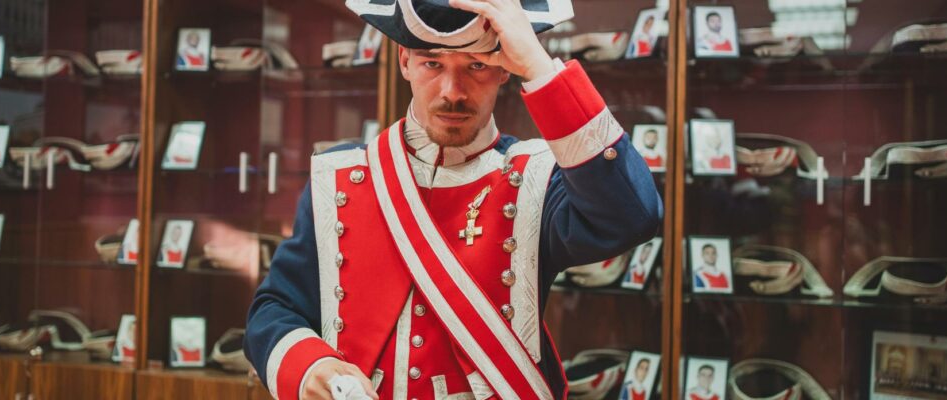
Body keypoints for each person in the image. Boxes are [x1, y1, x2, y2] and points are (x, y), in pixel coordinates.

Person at [243, 0, 662, 398]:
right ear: (404, 61)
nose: (453, 91)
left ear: (504, 70)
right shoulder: (338, 178)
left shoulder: (537, 178)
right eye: (432, 62)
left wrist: (538, 65)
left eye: (477, 65)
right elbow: (275, 308)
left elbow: (633, 215)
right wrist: (309, 367)